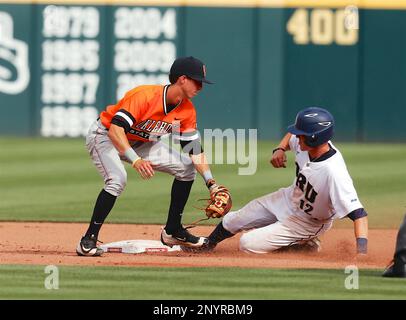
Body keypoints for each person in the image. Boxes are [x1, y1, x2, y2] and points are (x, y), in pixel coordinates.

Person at [76, 56, 228, 256]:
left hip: (141, 142)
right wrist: (135, 159)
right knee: (117, 179)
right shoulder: (145, 96)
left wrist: (211, 183)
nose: (200, 86)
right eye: (197, 81)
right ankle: (88, 239)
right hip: (105, 136)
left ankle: (172, 230)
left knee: (186, 168)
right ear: (182, 79)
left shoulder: (187, 110)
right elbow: (115, 130)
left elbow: (194, 149)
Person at [195, 107, 369, 254]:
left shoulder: (333, 172)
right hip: (287, 199)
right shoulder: (307, 144)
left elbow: (359, 215)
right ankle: (207, 245)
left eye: (301, 135)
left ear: (313, 138)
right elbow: (290, 136)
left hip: (308, 222)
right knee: (233, 219)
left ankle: (301, 245)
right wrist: (280, 149)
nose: (297, 138)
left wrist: (362, 254)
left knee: (248, 244)